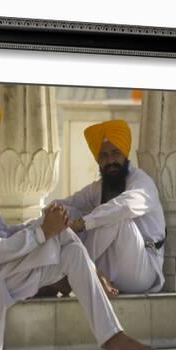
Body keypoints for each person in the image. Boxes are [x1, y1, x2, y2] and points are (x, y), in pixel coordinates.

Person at [0, 100, 154, 350]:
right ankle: (96, 307)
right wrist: (42, 231)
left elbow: (1, 231)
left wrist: (45, 225)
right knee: (65, 242)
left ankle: (112, 335)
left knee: (69, 245)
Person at [48, 119, 166, 296]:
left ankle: (73, 271)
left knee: (115, 217)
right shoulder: (98, 188)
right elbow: (65, 204)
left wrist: (82, 223)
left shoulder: (142, 183)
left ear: (125, 154)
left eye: (115, 153)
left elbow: (123, 207)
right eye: (103, 155)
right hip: (108, 266)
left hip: (141, 271)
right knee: (64, 212)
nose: (110, 160)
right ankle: (76, 270)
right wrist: (51, 215)